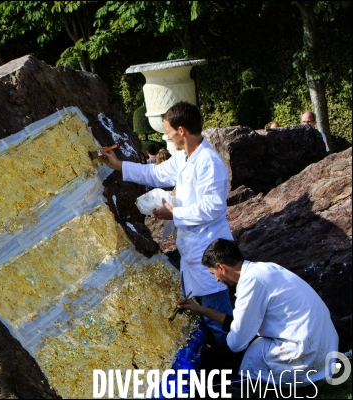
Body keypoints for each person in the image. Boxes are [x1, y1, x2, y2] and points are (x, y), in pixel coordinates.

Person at [97, 101, 234, 344]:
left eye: (168, 131)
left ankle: (236, 373)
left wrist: (175, 214)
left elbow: (213, 208)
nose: (166, 136)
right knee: (201, 320)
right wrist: (118, 165)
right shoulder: (183, 157)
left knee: (219, 321)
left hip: (209, 250)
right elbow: (155, 174)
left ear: (181, 130)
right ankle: (221, 367)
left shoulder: (209, 163)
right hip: (191, 251)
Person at [178, 239, 339, 394]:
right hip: (321, 349)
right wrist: (199, 309)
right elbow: (240, 325)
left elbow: (237, 343)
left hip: (303, 353)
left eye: (214, 273)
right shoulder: (264, 269)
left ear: (221, 267)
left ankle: (225, 388)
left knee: (215, 356)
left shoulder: (251, 282)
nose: (217, 279)